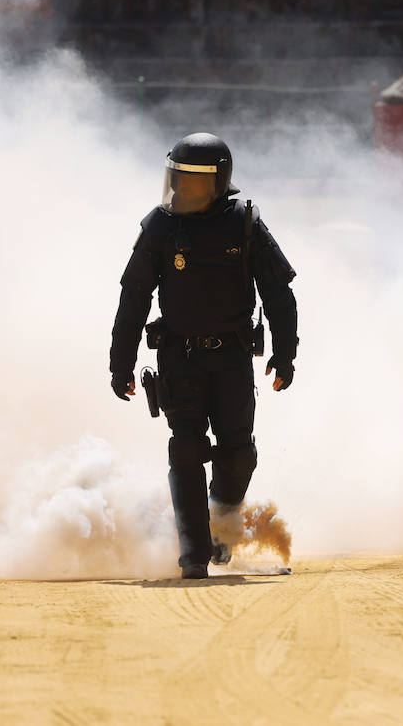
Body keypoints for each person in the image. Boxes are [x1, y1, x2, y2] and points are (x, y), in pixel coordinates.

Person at [110, 133, 300, 579]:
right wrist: (120, 363)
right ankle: (193, 555)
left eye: (195, 183)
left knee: (239, 456)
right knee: (187, 450)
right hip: (180, 359)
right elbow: (133, 297)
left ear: (219, 183)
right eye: (178, 180)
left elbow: (279, 293)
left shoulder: (246, 223)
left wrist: (285, 354)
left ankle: (219, 526)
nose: (183, 190)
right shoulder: (160, 226)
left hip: (233, 360)